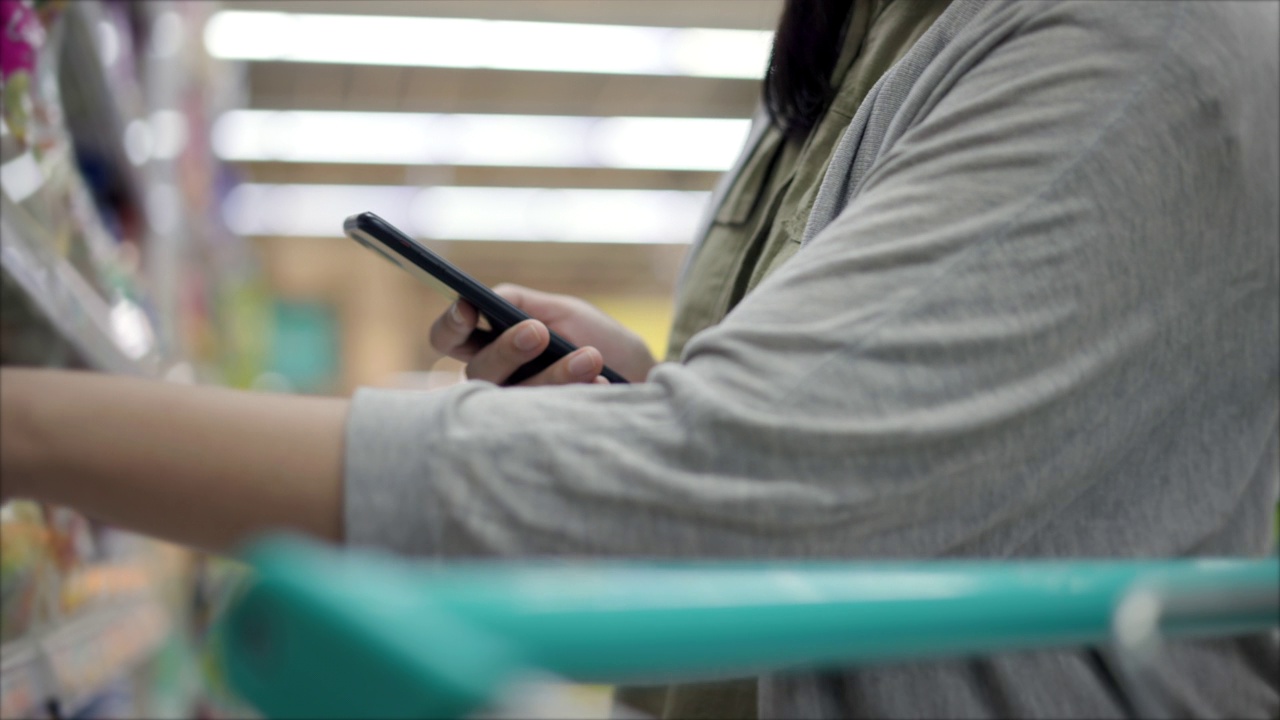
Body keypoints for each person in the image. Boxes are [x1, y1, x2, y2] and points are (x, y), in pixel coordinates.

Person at [2, 0, 1277, 717]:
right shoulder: (870, 40)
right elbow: (834, 453)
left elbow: (716, 491)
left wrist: (32, 426)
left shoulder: (1133, 41)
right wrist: (643, 387)